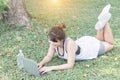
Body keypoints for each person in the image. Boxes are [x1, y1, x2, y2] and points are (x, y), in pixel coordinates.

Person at [38, 4, 114, 74]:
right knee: (99, 40)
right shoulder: (53, 42)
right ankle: (101, 23)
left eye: (54, 42)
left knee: (110, 44)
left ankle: (105, 22)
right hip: (86, 43)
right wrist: (41, 63)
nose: (51, 44)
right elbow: (48, 56)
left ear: (61, 40)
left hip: (91, 49)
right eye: (50, 41)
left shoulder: (69, 44)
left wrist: (51, 68)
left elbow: (70, 65)